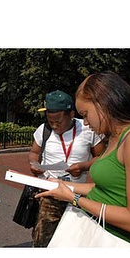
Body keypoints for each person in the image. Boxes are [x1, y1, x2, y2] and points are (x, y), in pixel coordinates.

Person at [35, 71, 130, 247]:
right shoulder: (114, 137)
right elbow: (107, 188)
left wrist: (74, 198)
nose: (85, 122)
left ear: (103, 103)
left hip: (112, 241)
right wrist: (63, 186)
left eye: (85, 114)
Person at [29, 90, 105, 247]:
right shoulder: (43, 130)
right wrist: (34, 165)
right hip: (50, 194)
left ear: (71, 114)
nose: (54, 126)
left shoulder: (88, 129)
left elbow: (101, 157)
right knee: (43, 241)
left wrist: (84, 166)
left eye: (58, 122)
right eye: (51, 122)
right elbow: (34, 152)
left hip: (78, 194)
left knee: (73, 241)